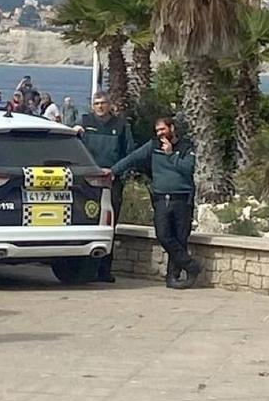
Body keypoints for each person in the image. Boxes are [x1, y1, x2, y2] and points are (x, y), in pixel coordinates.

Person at [110, 117, 201, 289]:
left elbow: (188, 169)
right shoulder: (153, 146)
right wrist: (113, 171)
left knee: (180, 238)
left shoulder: (186, 147)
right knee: (163, 235)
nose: (160, 134)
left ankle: (172, 277)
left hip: (182, 198)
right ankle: (191, 266)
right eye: (157, 130)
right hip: (161, 198)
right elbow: (132, 158)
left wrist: (171, 155)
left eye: (162, 129)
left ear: (171, 128)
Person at [78, 93, 134, 283]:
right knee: (87, 223)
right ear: (92, 106)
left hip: (112, 182)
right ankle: (84, 270)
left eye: (103, 103)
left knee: (109, 225)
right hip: (87, 182)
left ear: (110, 105)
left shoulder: (121, 125)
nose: (100, 106)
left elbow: (129, 154)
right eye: (97, 103)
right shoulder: (84, 123)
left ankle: (104, 270)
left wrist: (115, 171)